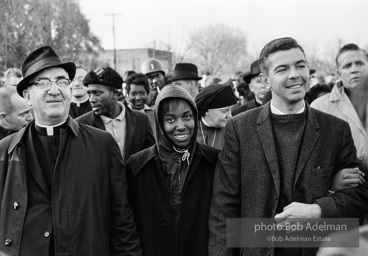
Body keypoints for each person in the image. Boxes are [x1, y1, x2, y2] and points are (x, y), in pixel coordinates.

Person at [208, 37, 368, 256]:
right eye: (283, 69)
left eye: (300, 65)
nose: (295, 74)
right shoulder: (240, 127)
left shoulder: (335, 129)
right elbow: (224, 204)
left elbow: (358, 196)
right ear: (265, 80)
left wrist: (318, 210)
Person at [0, 46, 142, 255]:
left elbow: (122, 221)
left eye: (62, 81)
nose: (55, 90)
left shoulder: (102, 145)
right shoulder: (6, 150)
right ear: (27, 95)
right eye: (43, 83)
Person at [126, 84, 219, 256]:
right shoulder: (138, 165)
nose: (181, 126)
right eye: (170, 119)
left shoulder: (213, 161)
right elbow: (127, 223)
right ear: (160, 123)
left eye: (187, 117)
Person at [76, 66, 155, 162]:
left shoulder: (142, 120)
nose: (91, 100)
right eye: (89, 94)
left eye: (97, 93)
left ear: (115, 94)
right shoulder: (82, 125)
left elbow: (151, 158)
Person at [311, 43, 368, 159]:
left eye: (360, 63)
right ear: (339, 73)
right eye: (347, 66)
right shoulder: (320, 107)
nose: (354, 70)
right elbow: (314, 156)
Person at [195, 83, 237, 149]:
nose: (230, 116)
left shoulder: (232, 131)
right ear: (207, 111)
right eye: (224, 111)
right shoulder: (191, 130)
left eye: (230, 110)